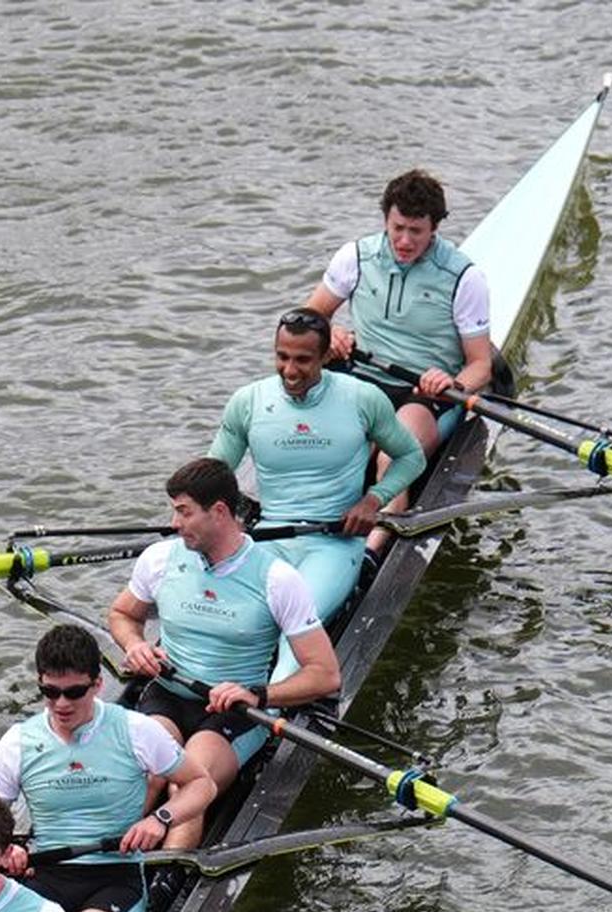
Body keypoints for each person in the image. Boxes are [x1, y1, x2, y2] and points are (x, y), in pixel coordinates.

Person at [0, 619, 217, 912]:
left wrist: (161, 818)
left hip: (115, 876)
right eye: (50, 691)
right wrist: (6, 847)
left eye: (74, 692)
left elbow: (201, 784)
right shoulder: (18, 743)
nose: (61, 704)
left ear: (97, 685)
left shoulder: (135, 730)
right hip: (46, 874)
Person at [102, 459, 342, 810]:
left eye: (184, 513)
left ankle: (172, 861)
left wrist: (259, 695)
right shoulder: (160, 560)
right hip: (168, 694)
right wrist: (135, 643)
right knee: (145, 774)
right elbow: (122, 614)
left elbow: (325, 675)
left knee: (187, 787)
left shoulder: (277, 579)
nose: (174, 524)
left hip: (235, 713)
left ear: (218, 511)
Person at [210, 308, 429, 616]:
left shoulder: (363, 397)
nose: (289, 370)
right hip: (268, 536)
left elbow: (411, 457)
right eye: (282, 357)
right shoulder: (248, 401)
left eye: (302, 360)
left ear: (326, 357)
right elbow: (211, 477)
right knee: (238, 620)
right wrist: (202, 516)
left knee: (295, 618)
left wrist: (372, 500)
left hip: (334, 541)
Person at [307, 167, 496, 478]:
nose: (404, 240)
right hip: (363, 378)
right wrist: (329, 333)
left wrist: (454, 384)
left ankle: (384, 526)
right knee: (342, 449)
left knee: (393, 459)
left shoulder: (465, 278)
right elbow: (309, 318)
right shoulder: (355, 257)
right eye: (397, 228)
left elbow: (480, 365)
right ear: (386, 220)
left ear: (434, 228)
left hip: (423, 392)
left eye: (416, 231)